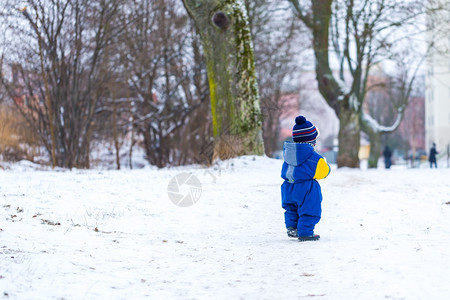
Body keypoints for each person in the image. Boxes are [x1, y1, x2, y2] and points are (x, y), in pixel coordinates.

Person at [281, 116, 330, 242]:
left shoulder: (288, 154)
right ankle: (306, 232)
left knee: (291, 208)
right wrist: (326, 165)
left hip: (288, 186)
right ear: (312, 141)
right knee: (310, 209)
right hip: (306, 189)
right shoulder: (313, 157)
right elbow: (324, 172)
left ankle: (292, 227)